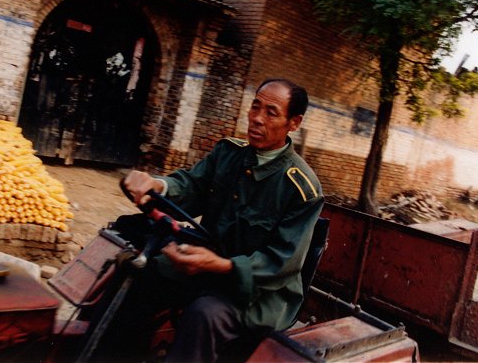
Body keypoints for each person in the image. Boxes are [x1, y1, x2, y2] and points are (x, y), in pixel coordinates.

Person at [101, 78, 324, 362]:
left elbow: (280, 262)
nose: (256, 118)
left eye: (271, 112)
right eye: (255, 106)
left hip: (257, 292)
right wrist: (157, 185)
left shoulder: (301, 189)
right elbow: (192, 186)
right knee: (138, 275)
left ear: (294, 123)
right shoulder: (228, 153)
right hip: (204, 265)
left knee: (204, 315)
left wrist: (221, 265)